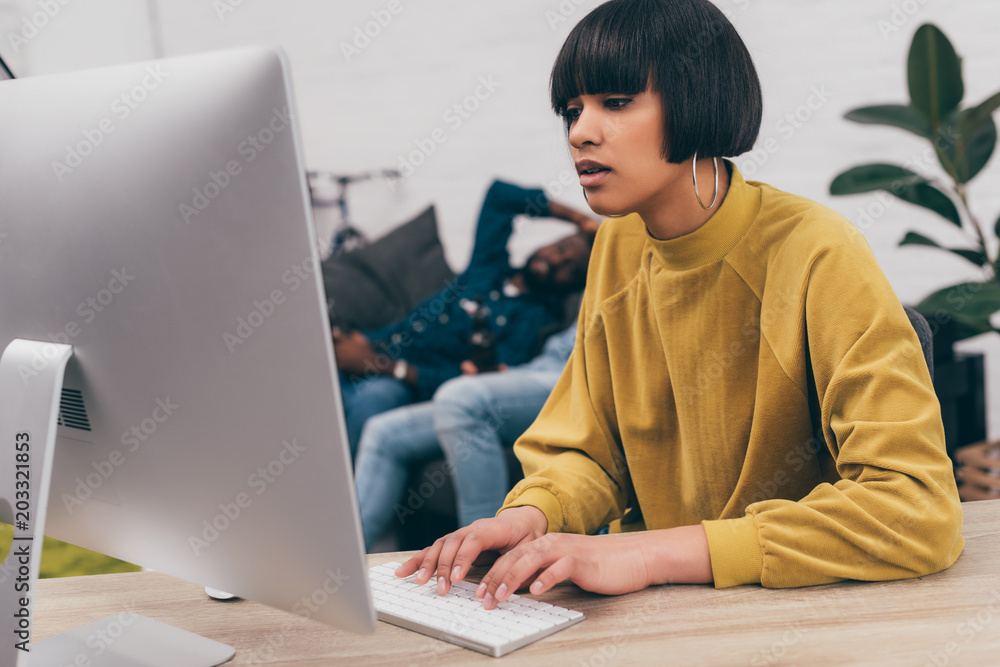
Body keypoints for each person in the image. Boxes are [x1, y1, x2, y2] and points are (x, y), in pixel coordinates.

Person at [395, 0, 964, 607]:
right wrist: (535, 512)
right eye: (572, 110)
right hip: (650, 612)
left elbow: (915, 508)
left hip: (793, 611)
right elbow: (591, 451)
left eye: (615, 102)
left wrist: (647, 552)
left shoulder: (819, 252)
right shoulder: (617, 246)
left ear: (698, 99)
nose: (580, 132)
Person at [333, 180, 598, 456]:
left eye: (572, 269)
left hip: (400, 383)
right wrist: (579, 218)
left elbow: (480, 383)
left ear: (576, 286)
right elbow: (500, 197)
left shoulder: (537, 321)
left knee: (373, 398)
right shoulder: (488, 267)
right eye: (562, 248)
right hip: (369, 347)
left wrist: (382, 366)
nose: (557, 261)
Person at [355, 320, 578, 550]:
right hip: (539, 370)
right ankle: (340, 564)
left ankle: (483, 556)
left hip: (577, 379)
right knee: (384, 431)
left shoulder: (540, 302)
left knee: (459, 399)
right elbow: (547, 362)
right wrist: (506, 375)